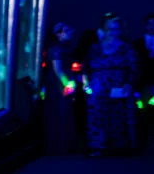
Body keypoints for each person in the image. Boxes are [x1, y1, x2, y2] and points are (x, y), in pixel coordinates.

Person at [84, 14, 140, 155]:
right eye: (109, 29)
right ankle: (98, 146)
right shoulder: (94, 48)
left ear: (120, 30)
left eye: (116, 29)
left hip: (119, 86)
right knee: (97, 116)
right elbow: (86, 68)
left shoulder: (127, 48)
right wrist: (86, 83)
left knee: (119, 116)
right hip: (98, 87)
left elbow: (134, 69)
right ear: (104, 29)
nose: (112, 32)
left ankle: (120, 147)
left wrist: (129, 83)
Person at [44, 22, 79, 154]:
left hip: (65, 82)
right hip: (58, 85)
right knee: (60, 112)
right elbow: (57, 69)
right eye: (66, 30)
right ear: (58, 34)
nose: (70, 32)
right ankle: (59, 145)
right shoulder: (56, 49)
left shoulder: (65, 47)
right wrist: (67, 83)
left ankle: (64, 144)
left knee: (65, 112)